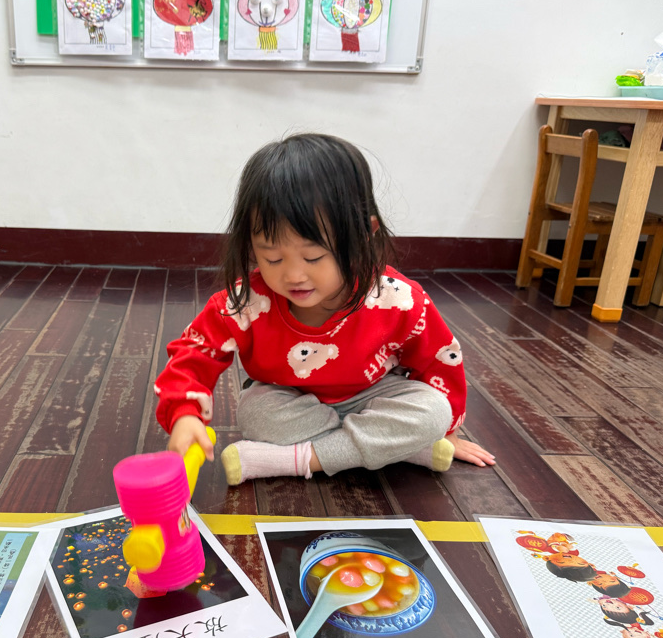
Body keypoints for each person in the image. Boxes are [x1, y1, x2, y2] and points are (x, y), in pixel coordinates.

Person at [153, 133, 495, 486]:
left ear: (364, 234)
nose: (293, 275)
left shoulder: (398, 298)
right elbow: (193, 354)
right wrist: (184, 414)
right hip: (291, 400)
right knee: (255, 414)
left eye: (314, 257)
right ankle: (396, 449)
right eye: (272, 258)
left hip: (374, 396)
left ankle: (299, 459)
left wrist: (449, 430)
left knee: (433, 412)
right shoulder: (247, 301)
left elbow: (441, 360)